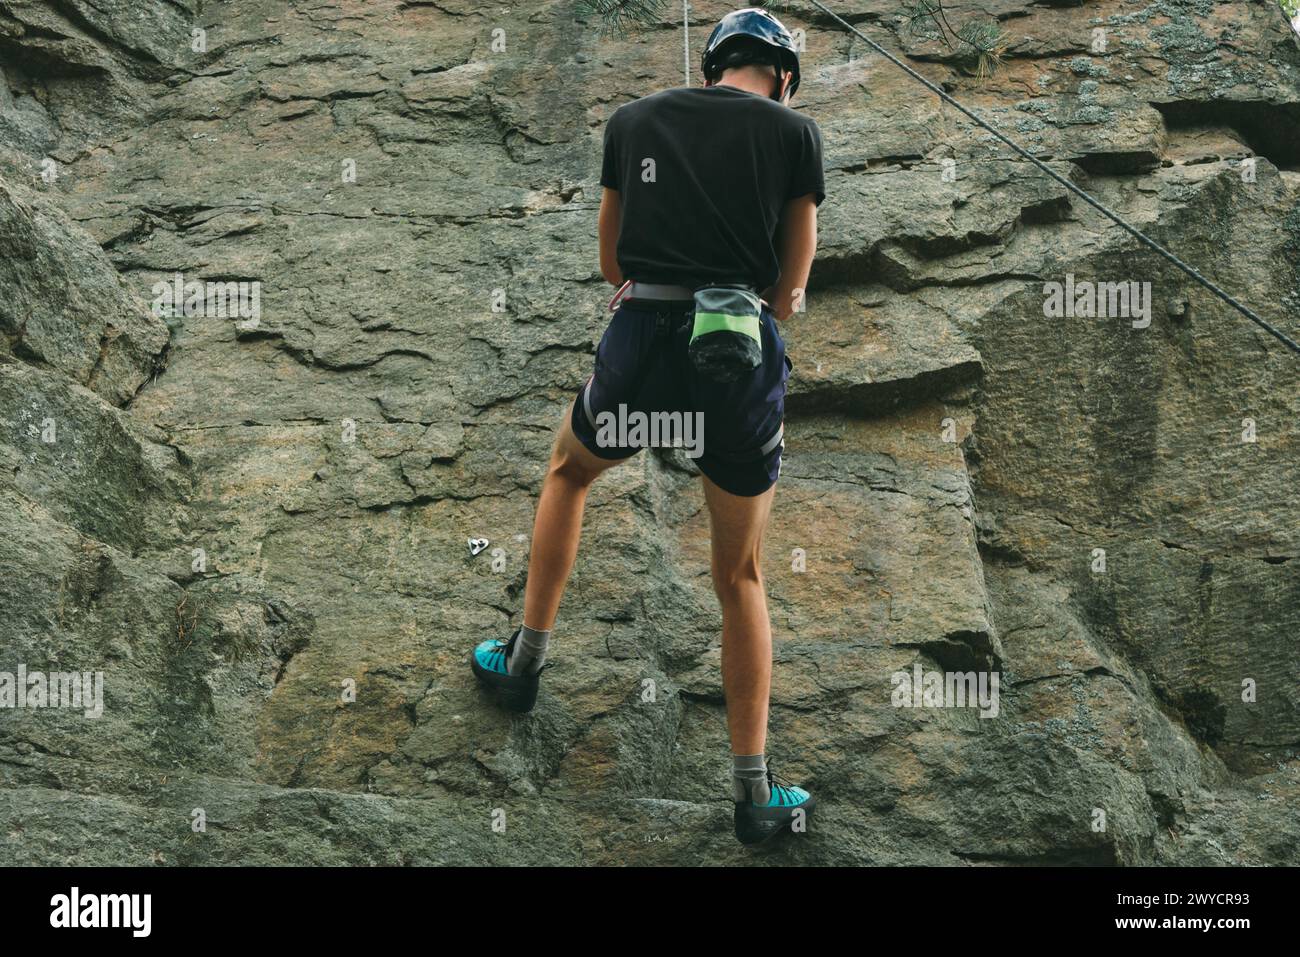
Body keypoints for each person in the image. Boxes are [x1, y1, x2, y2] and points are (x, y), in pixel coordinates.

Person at [471, 7, 825, 846]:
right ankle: (754, 793)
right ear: (778, 73)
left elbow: (612, 264)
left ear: (714, 66)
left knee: (569, 471)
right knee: (739, 573)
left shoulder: (632, 122)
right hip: (734, 359)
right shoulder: (796, 134)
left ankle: (523, 666)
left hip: (642, 347)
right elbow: (791, 290)